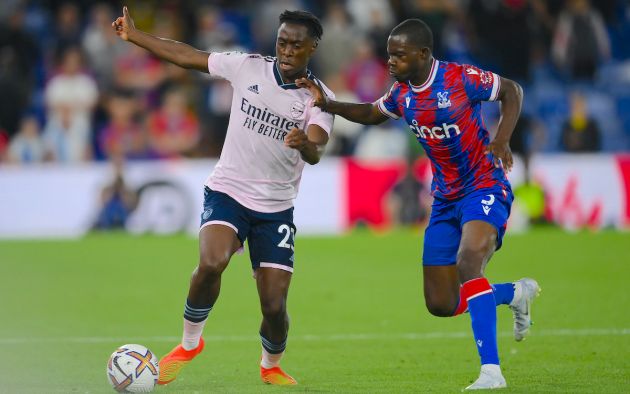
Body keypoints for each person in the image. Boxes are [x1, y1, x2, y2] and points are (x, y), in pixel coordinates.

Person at [298, 19, 539, 390]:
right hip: (445, 198)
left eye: (399, 55)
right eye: (389, 54)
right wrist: (327, 103)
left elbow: (512, 90)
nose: (390, 61)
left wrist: (502, 139)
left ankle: (492, 371)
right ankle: (513, 293)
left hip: (484, 185)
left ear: (423, 54)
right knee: (440, 303)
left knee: (469, 261)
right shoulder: (401, 94)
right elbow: (371, 114)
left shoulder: (460, 78)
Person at [112, 6, 333, 387]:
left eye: (297, 45)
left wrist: (304, 147)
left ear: (312, 47)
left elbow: (317, 147)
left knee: (274, 305)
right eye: (282, 42)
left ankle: (270, 365)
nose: (287, 50)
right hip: (228, 189)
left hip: (276, 207)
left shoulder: (320, 97)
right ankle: (189, 344)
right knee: (212, 260)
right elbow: (187, 55)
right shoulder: (247, 66)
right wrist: (136, 36)